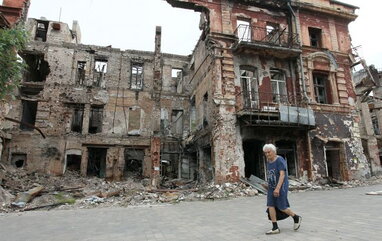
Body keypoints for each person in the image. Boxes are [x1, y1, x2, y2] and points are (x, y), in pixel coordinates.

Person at [262, 143, 302, 235]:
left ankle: (296, 217)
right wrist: (268, 185)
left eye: (269, 152)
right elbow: (271, 175)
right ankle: (275, 227)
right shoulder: (268, 161)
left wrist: (278, 188)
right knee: (270, 205)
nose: (267, 154)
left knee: (281, 207)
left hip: (281, 187)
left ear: (274, 151)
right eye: (265, 153)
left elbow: (282, 175)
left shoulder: (280, 160)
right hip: (271, 187)